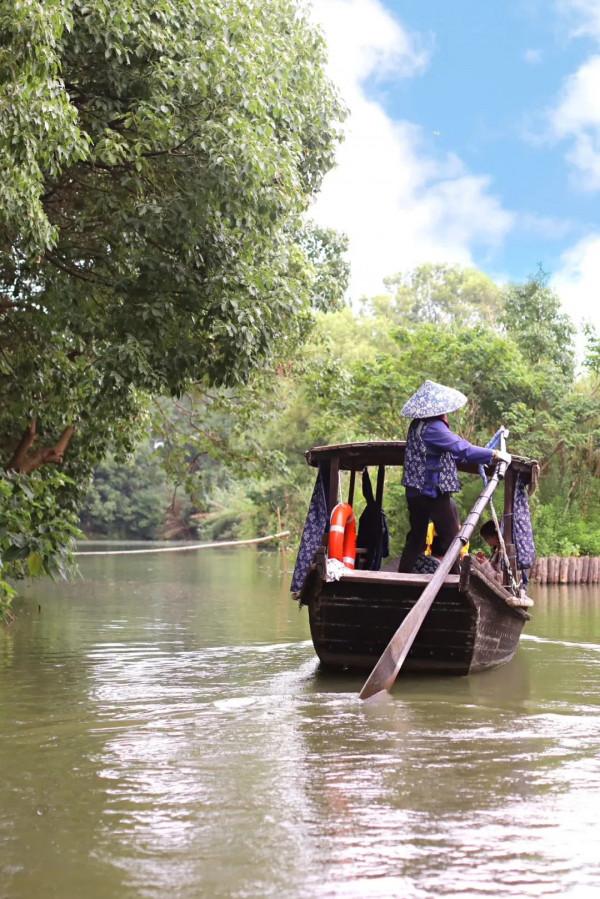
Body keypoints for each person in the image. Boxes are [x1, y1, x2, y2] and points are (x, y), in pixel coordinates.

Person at [398, 380, 511, 573]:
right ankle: (457, 580)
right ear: (439, 409)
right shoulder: (434, 427)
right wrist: (493, 454)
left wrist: (482, 454)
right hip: (432, 491)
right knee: (453, 537)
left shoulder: (417, 426)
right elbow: (461, 447)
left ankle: (403, 574)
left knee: (416, 536)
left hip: (415, 492)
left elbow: (448, 451)